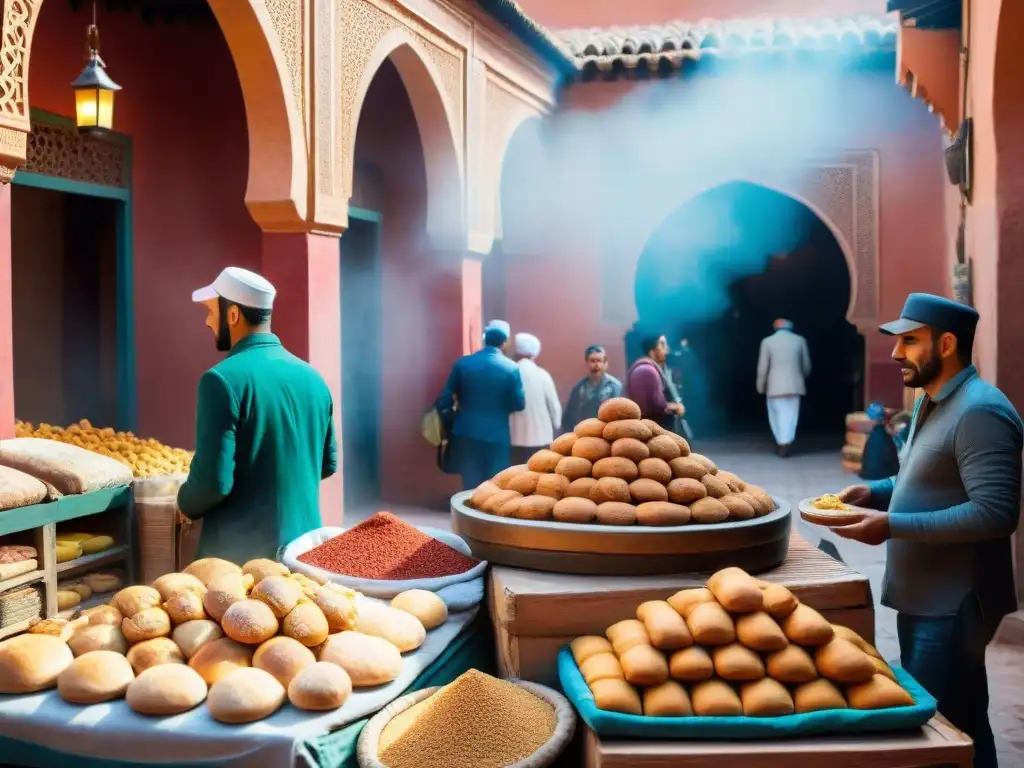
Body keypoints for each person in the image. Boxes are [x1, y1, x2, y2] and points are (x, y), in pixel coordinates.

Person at [831, 293, 1022, 768]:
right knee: (962, 723)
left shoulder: (980, 412)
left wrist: (891, 524)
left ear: (947, 343)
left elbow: (995, 513)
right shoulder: (934, 401)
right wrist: (875, 492)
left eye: (910, 341)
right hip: (925, 597)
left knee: (933, 734)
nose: (896, 353)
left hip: (955, 603)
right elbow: (926, 472)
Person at [177, 267, 338, 563]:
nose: (207, 321)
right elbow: (326, 465)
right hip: (308, 553)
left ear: (234, 315)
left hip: (244, 562)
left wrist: (183, 502)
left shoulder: (221, 380)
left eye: (211, 311)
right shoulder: (314, 378)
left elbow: (213, 482)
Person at [436, 320, 525, 490]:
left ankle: (467, 515)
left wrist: (450, 421)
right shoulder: (511, 368)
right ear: (504, 342)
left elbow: (444, 400)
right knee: (494, 485)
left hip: (465, 433)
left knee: (469, 484)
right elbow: (519, 404)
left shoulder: (462, 364)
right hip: (496, 435)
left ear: (485, 340)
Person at [756, 318, 811, 457]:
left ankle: (781, 443)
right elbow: (806, 365)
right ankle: (787, 442)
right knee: (791, 416)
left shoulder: (767, 341)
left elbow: (763, 367)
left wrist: (760, 385)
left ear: (775, 328)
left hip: (774, 386)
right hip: (794, 385)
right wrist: (799, 377)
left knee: (776, 416)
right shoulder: (799, 340)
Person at [509, 333, 562, 465]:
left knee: (517, 478)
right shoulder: (543, 375)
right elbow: (554, 406)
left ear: (517, 352)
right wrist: (557, 425)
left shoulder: (509, 372)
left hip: (514, 438)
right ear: (534, 354)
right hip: (541, 437)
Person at [626, 334, 684, 431]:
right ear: (652, 352)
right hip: (654, 429)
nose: (667, 348)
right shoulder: (648, 370)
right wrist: (677, 407)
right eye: (662, 345)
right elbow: (659, 406)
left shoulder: (645, 368)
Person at [561, 345, 622, 431]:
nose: (596, 365)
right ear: (587, 363)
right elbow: (569, 418)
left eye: (599, 361)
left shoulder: (615, 386)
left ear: (605, 363)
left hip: (609, 432)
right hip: (586, 433)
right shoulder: (579, 388)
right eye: (592, 361)